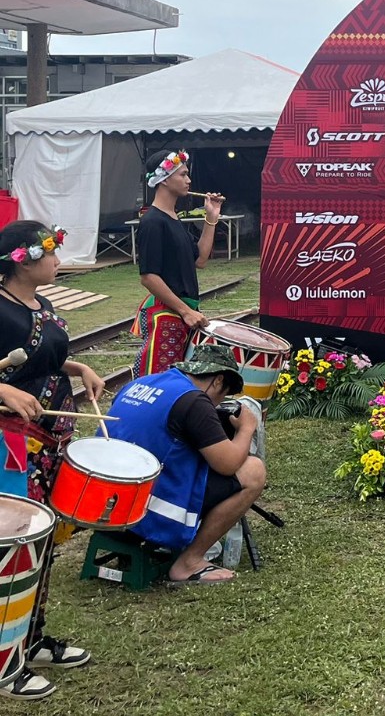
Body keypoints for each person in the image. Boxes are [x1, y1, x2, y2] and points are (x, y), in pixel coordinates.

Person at [0, 220, 105, 700]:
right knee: (14, 549)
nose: (59, 260)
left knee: (43, 544)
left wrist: (79, 366)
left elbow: (39, 358)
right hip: (11, 447)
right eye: (51, 252)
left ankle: (32, 638)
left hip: (48, 440)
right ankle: (6, 661)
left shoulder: (37, 304)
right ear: (23, 259)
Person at [107, 344, 266, 584]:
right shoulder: (194, 401)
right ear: (218, 381)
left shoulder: (142, 383)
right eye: (223, 395)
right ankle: (188, 563)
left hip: (106, 503)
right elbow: (228, 464)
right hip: (149, 511)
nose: (217, 404)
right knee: (254, 471)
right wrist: (246, 428)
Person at [134, 150, 224, 376]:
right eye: (183, 175)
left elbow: (200, 259)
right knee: (162, 380)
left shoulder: (173, 219)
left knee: (178, 379)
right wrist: (184, 311)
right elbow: (149, 276)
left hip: (182, 312)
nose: (189, 180)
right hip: (168, 313)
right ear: (164, 179)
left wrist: (211, 218)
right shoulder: (153, 221)